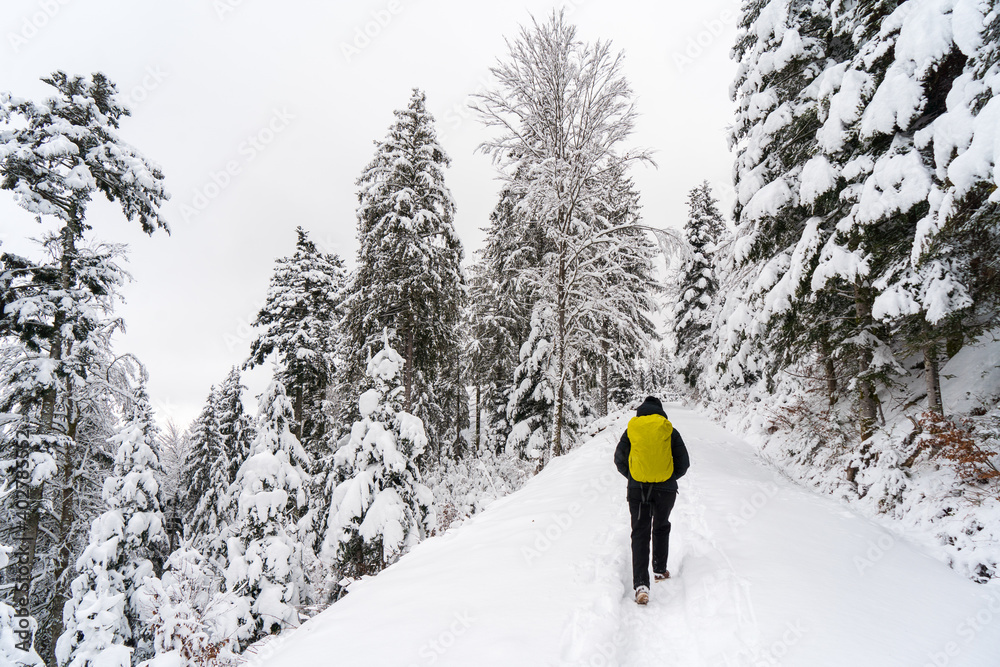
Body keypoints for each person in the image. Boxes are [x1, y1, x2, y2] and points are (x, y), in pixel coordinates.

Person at [614, 395, 690, 605]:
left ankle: (641, 585)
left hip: (638, 489)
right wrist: (668, 477)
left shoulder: (631, 430)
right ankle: (658, 569)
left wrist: (633, 477)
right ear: (660, 411)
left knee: (640, 532)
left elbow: (619, 459)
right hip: (665, 490)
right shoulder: (669, 430)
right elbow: (684, 463)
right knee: (661, 526)